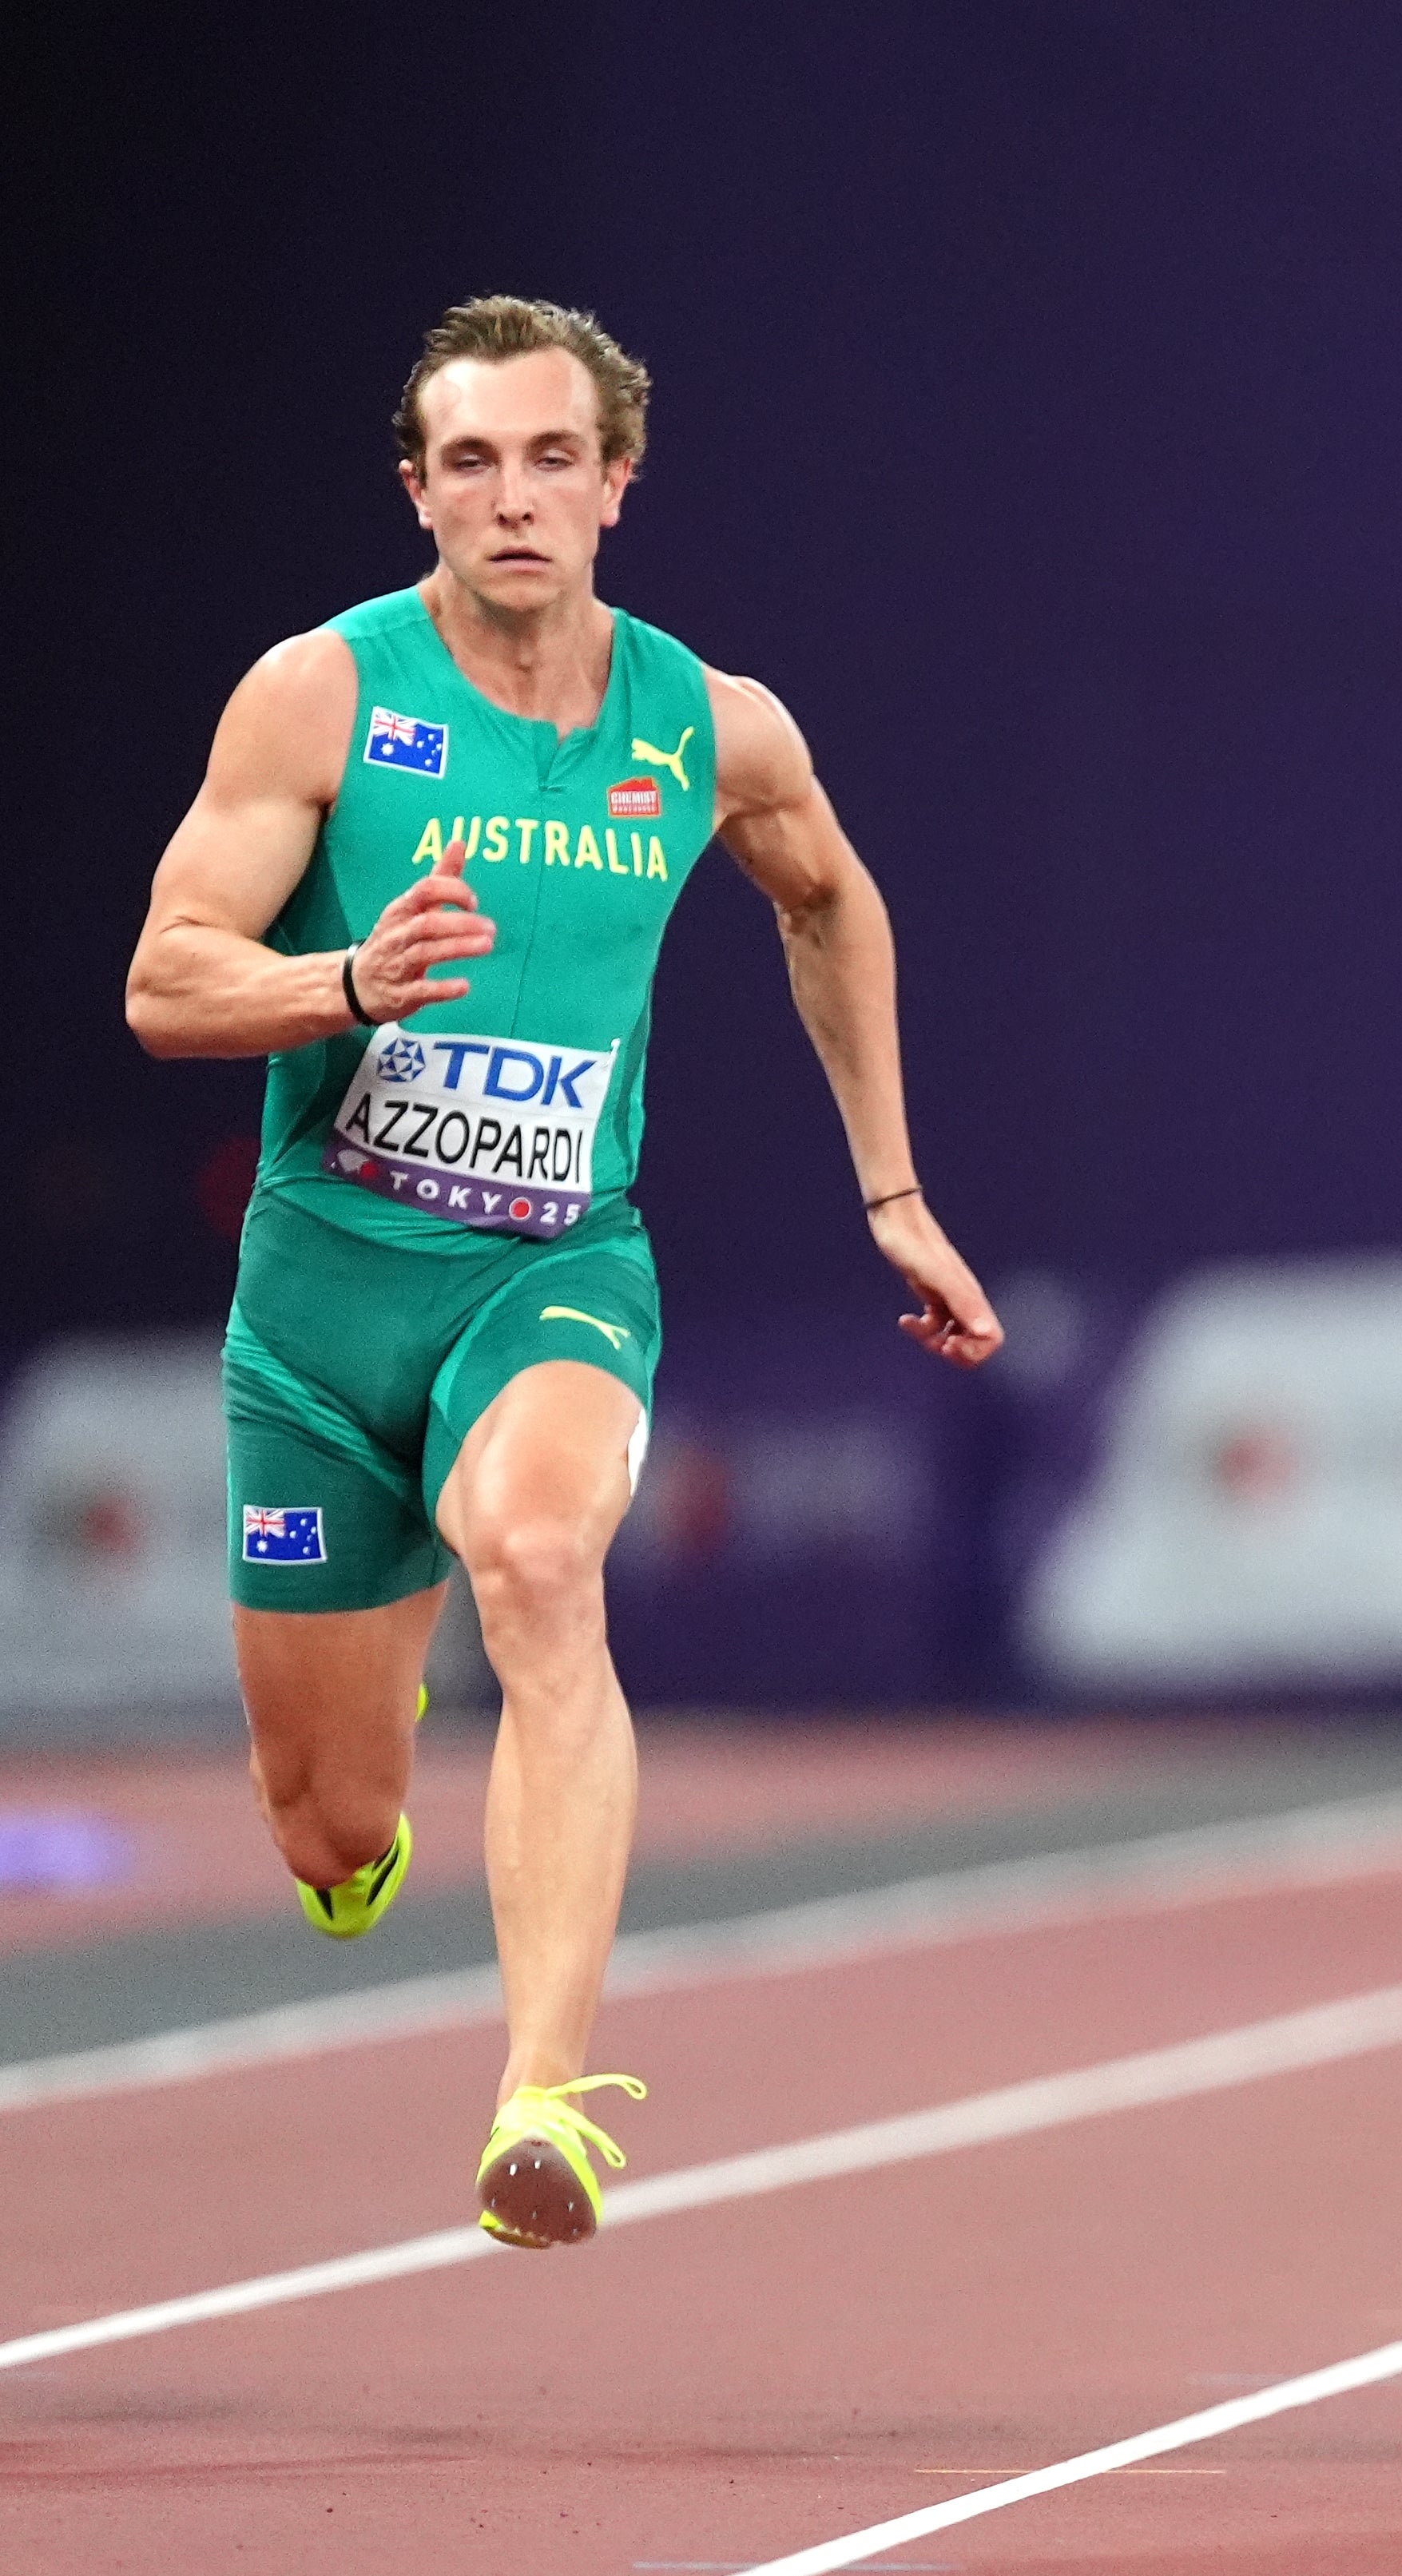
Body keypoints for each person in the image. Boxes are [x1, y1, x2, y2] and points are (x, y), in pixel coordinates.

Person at [123, 297, 1000, 2249]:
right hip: (321, 1309)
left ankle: (546, 2088)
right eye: (469, 463)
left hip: (552, 1273)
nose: (510, 498)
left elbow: (829, 893)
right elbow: (165, 976)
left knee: (539, 1563)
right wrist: (341, 980)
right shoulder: (322, 698)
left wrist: (890, 1185)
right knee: (326, 1814)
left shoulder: (711, 722)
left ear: (616, 483)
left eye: (548, 459)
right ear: (418, 490)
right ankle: (368, 1816)